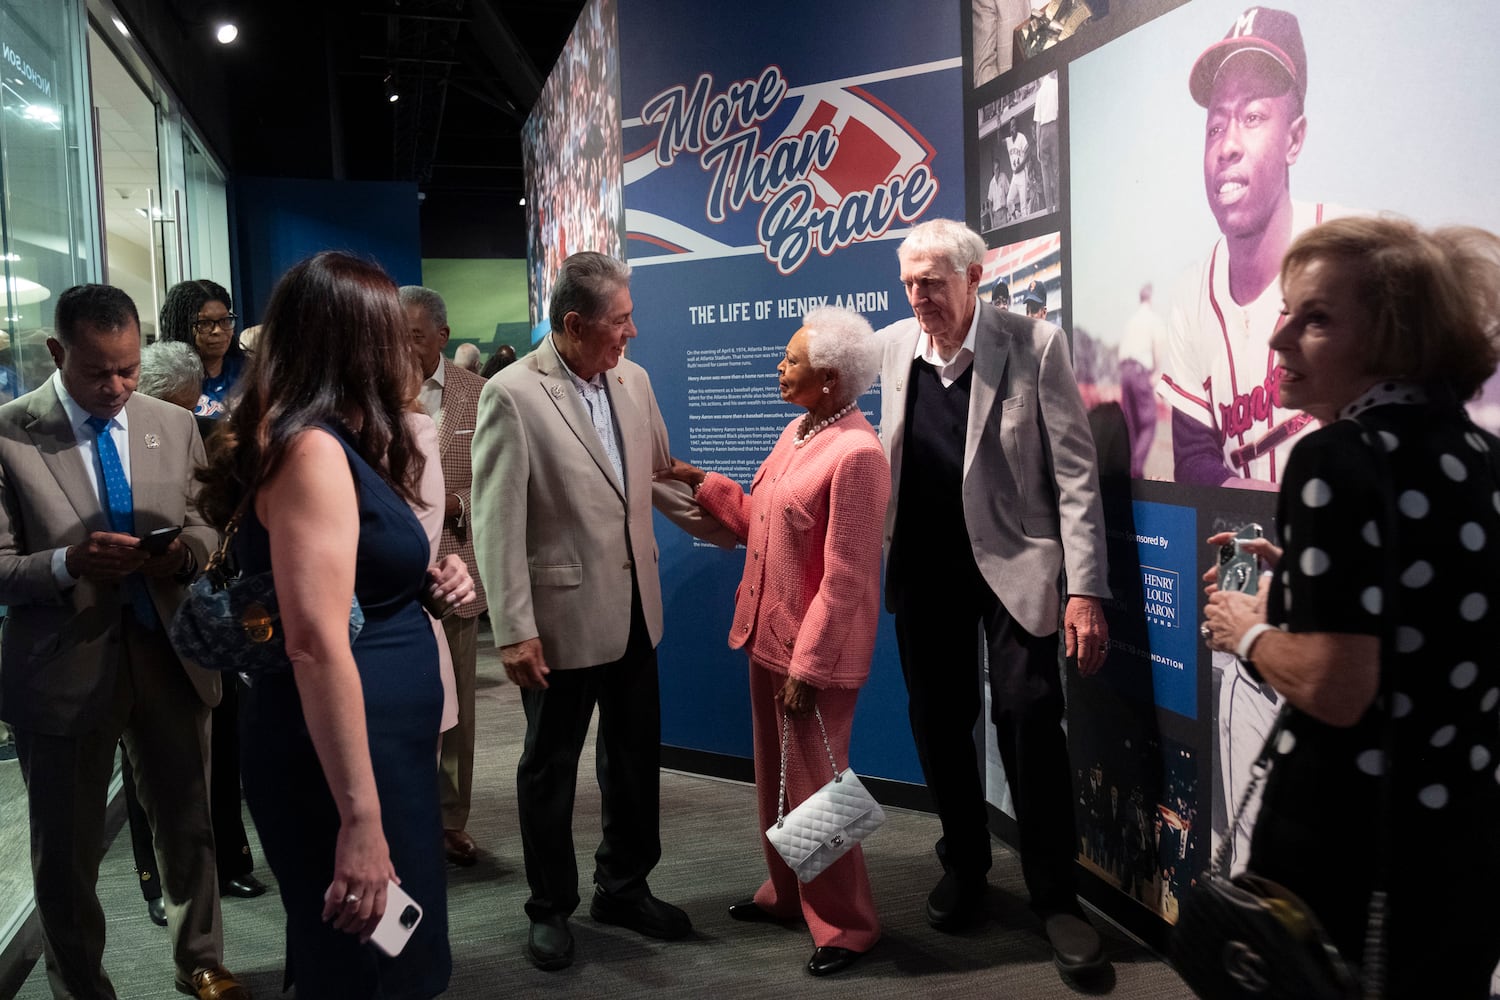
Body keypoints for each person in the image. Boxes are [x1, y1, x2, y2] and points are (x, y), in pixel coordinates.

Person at [1199, 217, 1500, 997]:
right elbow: (1429, 615)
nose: (1278, 338)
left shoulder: (1336, 456)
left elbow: (1338, 687)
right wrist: (1299, 581)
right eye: (1288, 310)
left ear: (1392, 338)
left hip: (1345, 843)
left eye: (1317, 318)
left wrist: (1251, 630)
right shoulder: (1480, 453)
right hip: (1461, 840)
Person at [196, 251, 467, 998]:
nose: (408, 348)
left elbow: (356, 586)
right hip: (343, 763)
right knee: (366, 963)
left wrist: (432, 579)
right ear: (354, 340)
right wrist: (360, 817)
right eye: (391, 331)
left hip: (379, 749)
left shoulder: (338, 439)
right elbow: (316, 643)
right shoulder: (311, 448)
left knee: (388, 949)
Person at [471, 251, 735, 972]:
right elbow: (497, 524)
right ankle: (550, 906)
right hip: (556, 624)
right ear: (574, 323)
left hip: (635, 615)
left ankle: (623, 885)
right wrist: (515, 629)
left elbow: (656, 480)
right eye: (620, 320)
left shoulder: (633, 380)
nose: (633, 332)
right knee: (549, 768)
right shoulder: (513, 395)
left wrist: (743, 523)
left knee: (633, 759)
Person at [877, 218, 1112, 984]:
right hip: (925, 568)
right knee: (939, 721)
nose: (919, 297)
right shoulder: (890, 350)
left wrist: (1085, 591)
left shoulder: (1032, 344)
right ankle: (967, 864)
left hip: (1015, 564)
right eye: (909, 282)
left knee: (1029, 716)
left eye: (933, 283)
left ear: (974, 279)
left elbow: (1076, 478)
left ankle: (1055, 895)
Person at [0, 285, 247, 999]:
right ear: (57, 353)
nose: (116, 387)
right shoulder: (11, 435)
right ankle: (81, 985)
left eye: (129, 369)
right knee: (67, 851)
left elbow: (207, 526)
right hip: (62, 667)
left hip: (170, 654)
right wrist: (68, 563)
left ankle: (201, 959)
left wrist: (183, 555)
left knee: (188, 826)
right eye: (97, 372)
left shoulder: (171, 424)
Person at [655, 306, 889, 977]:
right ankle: (787, 893)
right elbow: (764, 521)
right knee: (776, 784)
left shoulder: (859, 455)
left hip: (812, 656)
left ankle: (848, 925)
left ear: (830, 378)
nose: (778, 367)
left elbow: (845, 579)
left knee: (817, 790)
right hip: (767, 637)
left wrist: (810, 666)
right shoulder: (799, 431)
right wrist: (701, 480)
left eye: (791, 360)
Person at [1156, 6, 1346, 489]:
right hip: (1241, 549)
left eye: (1254, 116)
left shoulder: (1352, 255)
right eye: (1216, 126)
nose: (1228, 146)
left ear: (1294, 139)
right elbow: (1195, 462)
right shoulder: (1190, 296)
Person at [118, 341, 265, 931]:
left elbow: (215, 519)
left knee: (222, 739)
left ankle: (229, 860)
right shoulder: (120, 434)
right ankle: (155, 881)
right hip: (147, 618)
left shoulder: (203, 429)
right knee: (146, 771)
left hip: (210, 601)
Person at [398, 284, 491, 867]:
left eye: (411, 336)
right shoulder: (372, 394)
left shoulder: (479, 396)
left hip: (455, 571)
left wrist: (453, 505)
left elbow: (502, 481)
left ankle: (451, 818)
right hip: (389, 578)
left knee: (457, 707)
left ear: (441, 336)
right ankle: (405, 817)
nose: (402, 348)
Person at [159, 279, 249, 419]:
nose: (218, 330)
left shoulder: (249, 372)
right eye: (205, 323)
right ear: (182, 327)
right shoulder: (167, 384)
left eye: (225, 320)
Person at [1118, 283, 1163, 478]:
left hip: (1125, 372)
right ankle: (1134, 467)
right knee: (1149, 422)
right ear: (1150, 299)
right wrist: (1156, 375)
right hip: (1139, 372)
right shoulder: (1153, 320)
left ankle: (1134, 471)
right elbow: (1159, 348)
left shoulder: (1132, 321)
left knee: (1133, 424)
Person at [1004, 119, 1031, 220]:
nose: (1013, 128)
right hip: (1015, 176)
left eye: (1014, 126)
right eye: (1011, 126)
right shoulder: (1008, 141)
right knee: (1009, 201)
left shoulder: (1021, 137)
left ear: (1017, 127)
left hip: (1022, 173)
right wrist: (998, 127)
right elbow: (998, 142)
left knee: (1024, 207)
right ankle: (1015, 214)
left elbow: (1028, 152)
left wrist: (1021, 166)